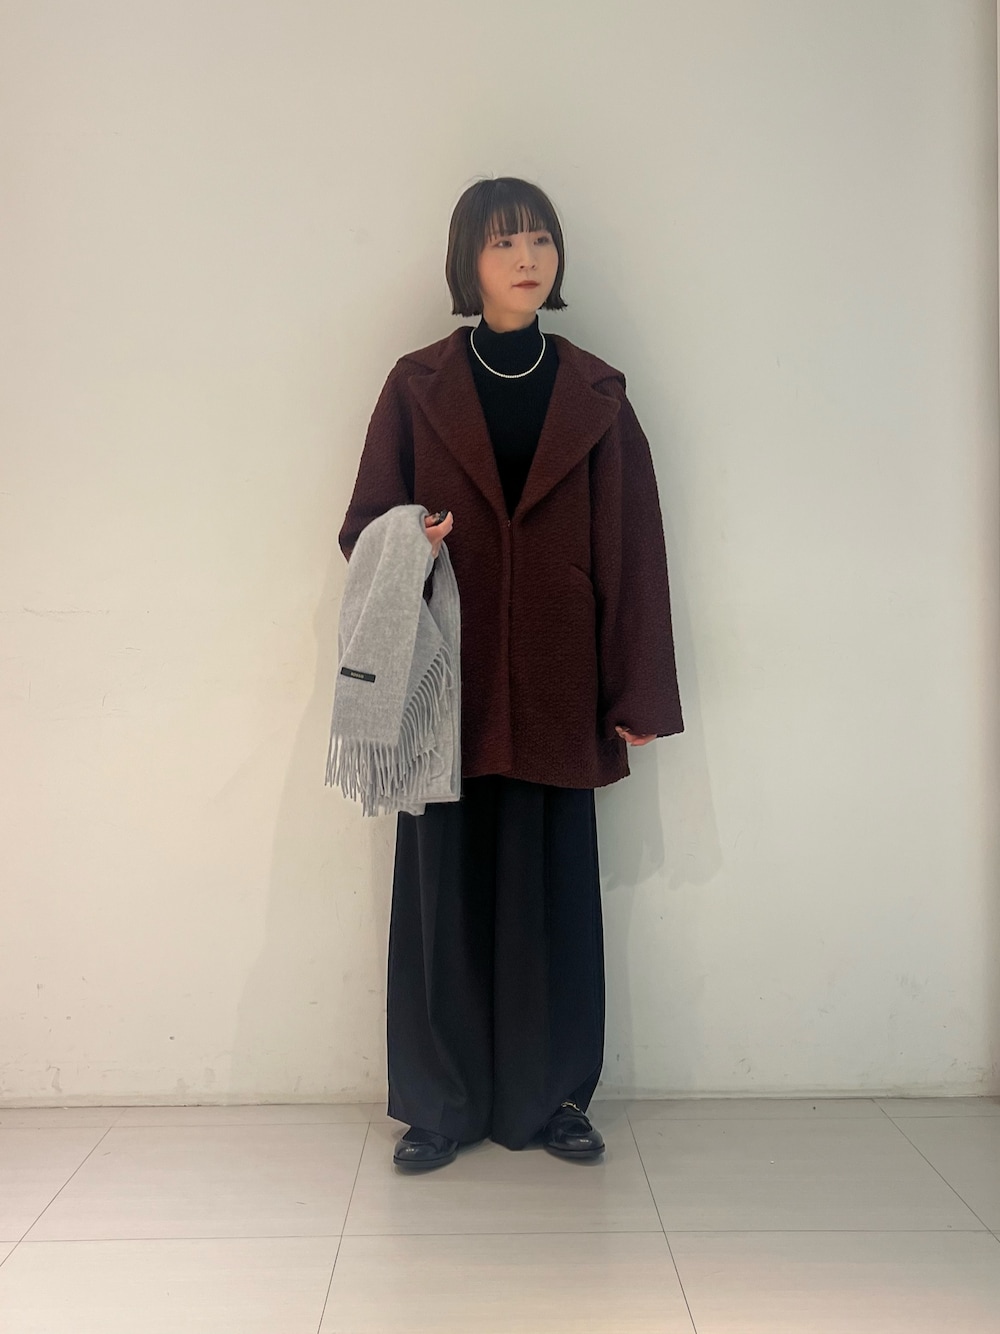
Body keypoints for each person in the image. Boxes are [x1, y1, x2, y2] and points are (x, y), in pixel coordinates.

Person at [338, 176, 683, 1171]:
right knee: (441, 894)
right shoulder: (417, 385)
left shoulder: (596, 394)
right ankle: (438, 1105)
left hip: (558, 678)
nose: (526, 258)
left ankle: (553, 1097)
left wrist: (638, 688)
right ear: (468, 261)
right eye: (502, 243)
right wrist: (411, 537)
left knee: (553, 897)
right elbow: (363, 524)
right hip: (443, 679)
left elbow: (635, 548)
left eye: (539, 239)